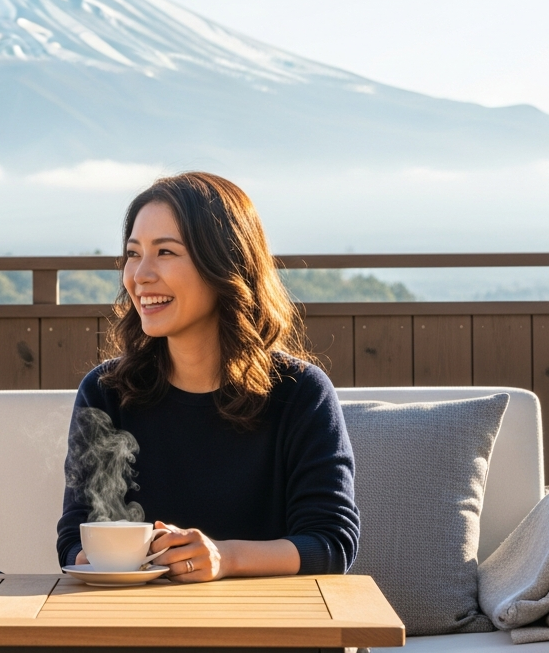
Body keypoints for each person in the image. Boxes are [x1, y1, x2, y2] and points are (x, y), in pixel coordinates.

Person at [56, 172, 360, 581]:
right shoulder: (105, 393)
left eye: (165, 252)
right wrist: (115, 559)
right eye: (133, 253)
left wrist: (225, 558)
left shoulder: (301, 392)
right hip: (137, 625)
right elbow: (73, 539)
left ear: (224, 263)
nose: (140, 275)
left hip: (270, 626)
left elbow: (332, 542)